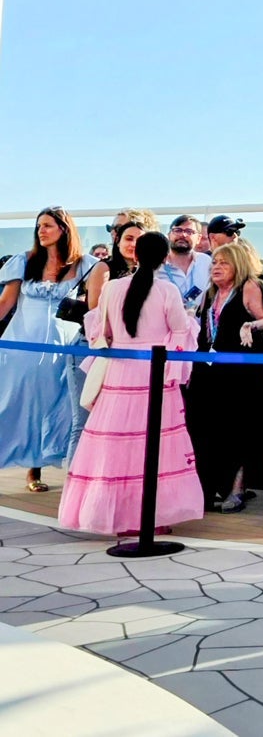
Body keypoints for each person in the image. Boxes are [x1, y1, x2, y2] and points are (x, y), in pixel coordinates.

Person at [59, 232, 206, 537]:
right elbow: (181, 332)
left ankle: (118, 515)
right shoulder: (167, 290)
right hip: (155, 375)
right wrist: (192, 319)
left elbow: (101, 329)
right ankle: (154, 515)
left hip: (119, 374)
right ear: (165, 257)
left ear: (135, 255)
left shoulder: (113, 288)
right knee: (155, 445)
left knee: (115, 447)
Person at [0, 208, 97, 489]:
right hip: (22, 347)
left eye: (47, 226)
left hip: (64, 347)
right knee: (14, 403)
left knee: (57, 407)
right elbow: (6, 303)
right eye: (39, 226)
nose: (41, 231)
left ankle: (38, 469)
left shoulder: (86, 264)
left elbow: (94, 307)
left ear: (64, 229)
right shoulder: (24, 261)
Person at [188, 242, 263, 512]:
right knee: (205, 431)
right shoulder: (208, 294)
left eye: (224, 263)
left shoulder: (249, 287)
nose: (216, 267)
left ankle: (237, 489)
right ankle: (207, 490)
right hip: (208, 373)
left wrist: (250, 324)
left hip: (241, 375)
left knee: (240, 431)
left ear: (238, 264)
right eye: (214, 262)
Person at [71, 217, 156, 467]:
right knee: (85, 416)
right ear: (117, 240)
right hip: (93, 348)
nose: (133, 245)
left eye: (139, 240)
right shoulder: (104, 269)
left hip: (126, 356)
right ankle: (76, 476)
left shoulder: (150, 274)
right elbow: (97, 312)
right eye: (129, 238)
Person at [161, 215, 212, 311]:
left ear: (198, 238)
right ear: (169, 235)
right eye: (178, 230)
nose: (183, 235)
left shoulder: (207, 262)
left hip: (199, 325)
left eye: (189, 232)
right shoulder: (156, 265)